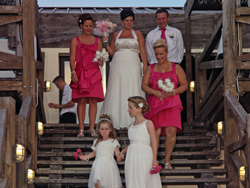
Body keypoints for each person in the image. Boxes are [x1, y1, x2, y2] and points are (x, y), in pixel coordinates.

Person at [142, 39, 188, 169]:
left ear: (167, 52)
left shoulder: (176, 67)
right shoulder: (150, 68)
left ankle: (167, 160)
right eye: (156, 54)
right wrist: (154, 92)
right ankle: (154, 159)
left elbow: (184, 85)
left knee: (171, 131)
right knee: (154, 132)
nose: (159, 57)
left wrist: (173, 92)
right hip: (154, 103)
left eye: (161, 54)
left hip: (172, 102)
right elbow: (144, 86)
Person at [100, 9, 147, 129]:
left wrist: (145, 66)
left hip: (133, 64)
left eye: (131, 20)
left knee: (133, 87)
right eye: (127, 20)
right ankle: (114, 121)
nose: (129, 23)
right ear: (122, 21)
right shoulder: (116, 35)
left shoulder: (138, 34)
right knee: (117, 89)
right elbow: (111, 53)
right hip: (118, 65)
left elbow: (142, 50)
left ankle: (133, 120)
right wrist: (105, 42)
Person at [70, 13, 104, 137]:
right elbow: (72, 58)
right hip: (81, 72)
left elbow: (100, 60)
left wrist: (102, 60)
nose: (89, 28)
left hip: (94, 72)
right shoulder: (75, 40)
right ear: (81, 25)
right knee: (82, 100)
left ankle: (92, 129)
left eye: (90, 26)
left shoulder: (97, 41)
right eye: (86, 26)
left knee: (93, 101)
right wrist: (73, 71)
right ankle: (81, 130)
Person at [118, 96, 162, 188]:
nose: (128, 110)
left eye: (130, 108)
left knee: (143, 177)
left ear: (139, 109)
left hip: (144, 155)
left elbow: (154, 141)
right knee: (133, 178)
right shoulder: (130, 126)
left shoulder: (148, 123)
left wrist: (154, 159)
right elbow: (133, 143)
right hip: (132, 157)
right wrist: (122, 152)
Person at [79, 114, 122, 188]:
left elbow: (117, 151)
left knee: (108, 184)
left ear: (111, 129)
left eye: (106, 129)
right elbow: (94, 152)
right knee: (96, 181)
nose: (104, 131)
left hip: (109, 165)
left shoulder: (113, 141)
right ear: (98, 129)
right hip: (98, 164)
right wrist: (86, 157)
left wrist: (119, 155)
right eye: (102, 129)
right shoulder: (96, 141)